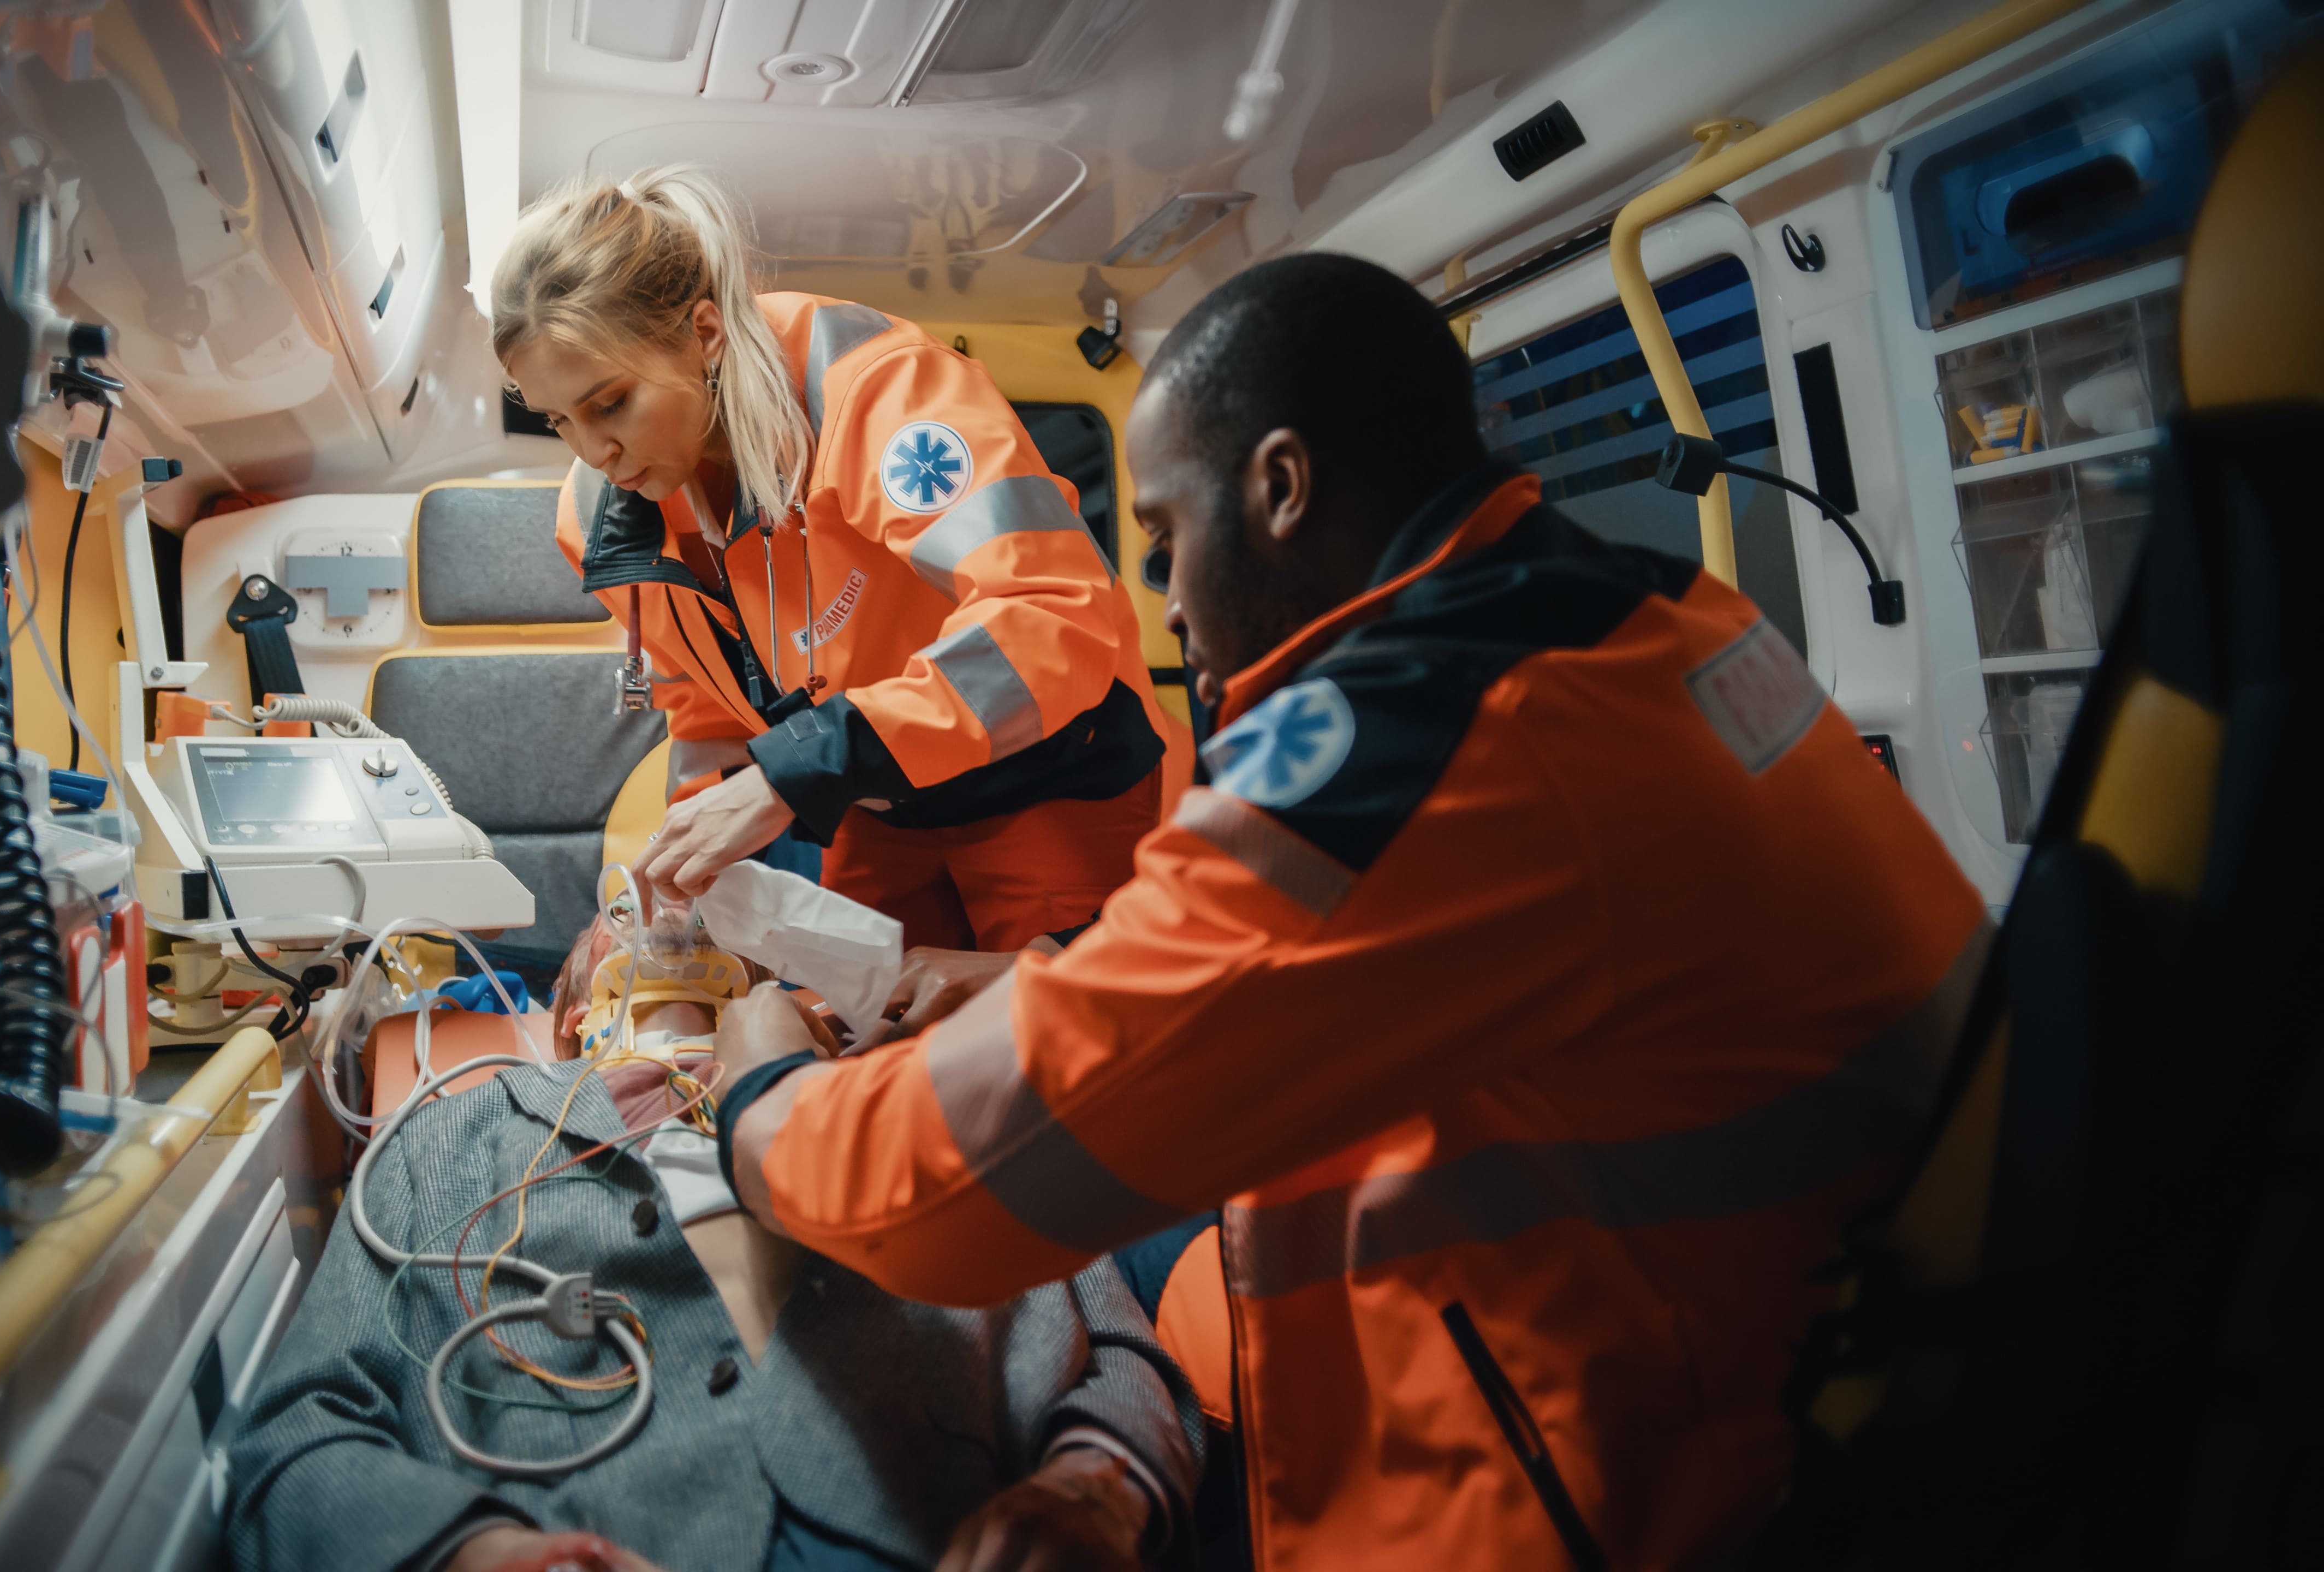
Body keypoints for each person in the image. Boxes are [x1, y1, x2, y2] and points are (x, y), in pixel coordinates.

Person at [699, 253, 1993, 1568]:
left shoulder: (1421, 736)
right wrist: (1045, 970)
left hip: (1629, 1491)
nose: (1167, 602)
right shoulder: (1648, 619)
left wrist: (759, 1095)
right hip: (1747, 1347)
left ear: (1277, 487)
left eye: (1164, 538)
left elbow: (947, 1197)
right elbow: (1357, 949)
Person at [225, 913, 1203, 1572]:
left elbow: (1118, 1346)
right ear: (570, 1019)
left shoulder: (920, 1094)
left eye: (704, 897)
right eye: (631, 898)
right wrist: (474, 1550)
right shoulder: (457, 1136)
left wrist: (1098, 1482)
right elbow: (300, 1431)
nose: (669, 896)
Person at [495, 165, 1187, 953]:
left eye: (610, 402)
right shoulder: (596, 520)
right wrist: (680, 881)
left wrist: (803, 770)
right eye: (558, 422)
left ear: (705, 334)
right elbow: (710, 712)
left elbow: (1054, 620)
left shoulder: (878, 390)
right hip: (879, 797)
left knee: (1037, 1058)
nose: (595, 452)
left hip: (1051, 780)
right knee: (858, 1044)